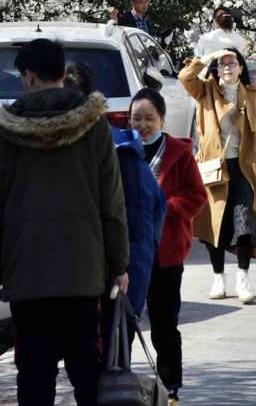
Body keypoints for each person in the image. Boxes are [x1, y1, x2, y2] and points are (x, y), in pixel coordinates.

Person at [0, 39, 129, 406]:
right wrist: (119, 264)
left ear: (29, 77)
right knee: (86, 368)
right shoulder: (94, 124)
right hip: (83, 271)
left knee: (34, 372)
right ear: (63, 73)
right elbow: (111, 200)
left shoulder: (10, 128)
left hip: (27, 271)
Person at [63, 63, 167, 324]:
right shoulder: (34, 146)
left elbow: (141, 227)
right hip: (55, 286)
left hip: (102, 285)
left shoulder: (119, 151)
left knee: (102, 357)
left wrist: (130, 291)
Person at [129, 87, 207, 405]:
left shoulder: (178, 153)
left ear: (162, 118)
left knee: (164, 324)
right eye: (137, 118)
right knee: (121, 323)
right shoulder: (121, 150)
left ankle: (170, 385)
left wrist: (167, 207)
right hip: (128, 253)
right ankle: (116, 381)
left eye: (149, 118)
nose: (143, 124)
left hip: (165, 253)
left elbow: (196, 195)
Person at [179, 48, 256, 304]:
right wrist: (208, 58)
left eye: (231, 63)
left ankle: (242, 282)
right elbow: (185, 77)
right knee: (215, 228)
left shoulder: (252, 97)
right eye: (222, 64)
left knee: (244, 227)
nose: (227, 67)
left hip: (244, 170)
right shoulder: (206, 91)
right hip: (214, 170)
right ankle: (218, 279)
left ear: (241, 68)